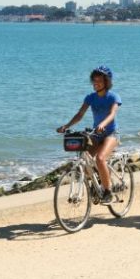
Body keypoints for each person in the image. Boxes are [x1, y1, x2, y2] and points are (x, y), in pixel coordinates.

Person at [57, 66, 121, 205]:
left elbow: (112, 114)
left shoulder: (113, 96)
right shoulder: (90, 97)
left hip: (111, 133)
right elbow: (80, 114)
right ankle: (97, 181)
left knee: (100, 158)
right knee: (85, 159)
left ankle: (108, 190)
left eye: (99, 80)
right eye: (94, 80)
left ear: (106, 82)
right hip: (96, 134)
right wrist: (66, 126)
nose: (95, 83)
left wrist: (103, 124)